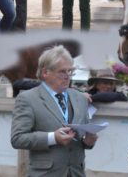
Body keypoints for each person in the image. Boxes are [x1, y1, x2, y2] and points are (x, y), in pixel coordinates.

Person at [11, 45, 98, 176]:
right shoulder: (28, 99)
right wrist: (53, 138)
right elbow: (17, 138)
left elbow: (81, 138)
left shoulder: (80, 98)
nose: (67, 76)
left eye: (70, 71)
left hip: (76, 173)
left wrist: (88, 141)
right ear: (45, 72)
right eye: (62, 71)